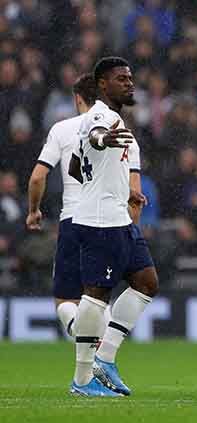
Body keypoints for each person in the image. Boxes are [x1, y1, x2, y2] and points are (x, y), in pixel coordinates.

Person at [26, 73, 142, 340]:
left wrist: (34, 211)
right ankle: (101, 357)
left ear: (78, 98)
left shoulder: (62, 129)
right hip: (112, 223)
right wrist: (132, 233)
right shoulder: (124, 134)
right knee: (100, 294)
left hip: (74, 221)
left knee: (66, 301)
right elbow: (134, 194)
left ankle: (82, 340)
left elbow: (37, 177)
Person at [69, 57, 157, 397]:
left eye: (131, 77)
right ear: (102, 84)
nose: (130, 83)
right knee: (97, 295)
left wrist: (122, 188)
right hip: (101, 221)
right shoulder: (101, 117)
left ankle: (104, 359)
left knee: (146, 282)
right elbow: (95, 138)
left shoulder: (109, 116)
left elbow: (77, 168)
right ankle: (82, 379)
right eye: (121, 79)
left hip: (117, 214)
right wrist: (103, 141)